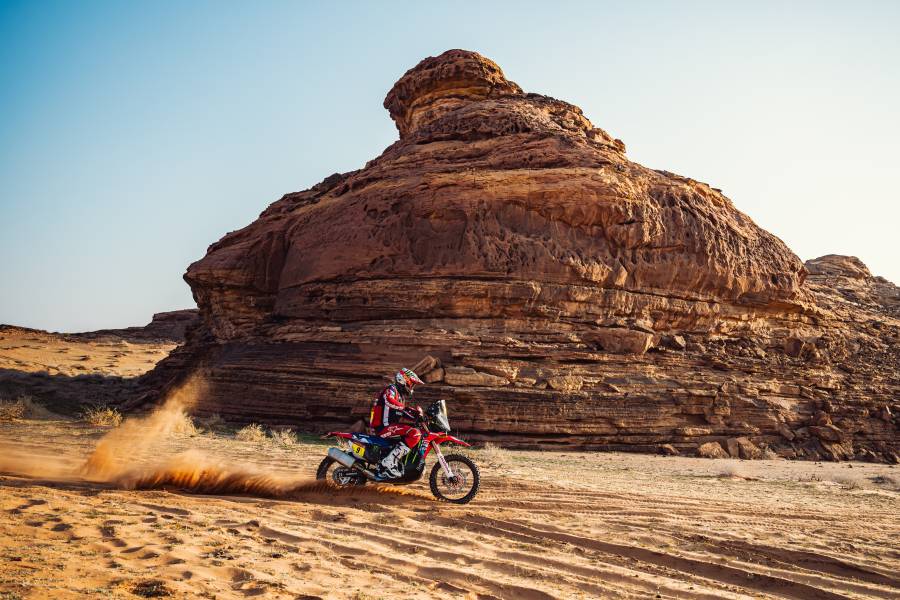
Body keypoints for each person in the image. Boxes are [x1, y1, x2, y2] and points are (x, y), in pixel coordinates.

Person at [369, 367, 424, 479]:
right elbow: (389, 400)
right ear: (404, 380)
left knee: (413, 430)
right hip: (383, 427)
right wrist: (406, 409)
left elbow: (401, 412)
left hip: (389, 427)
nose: (412, 387)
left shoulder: (400, 396)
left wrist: (415, 415)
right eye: (412, 384)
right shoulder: (391, 389)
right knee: (414, 433)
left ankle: (393, 463)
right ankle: (389, 462)